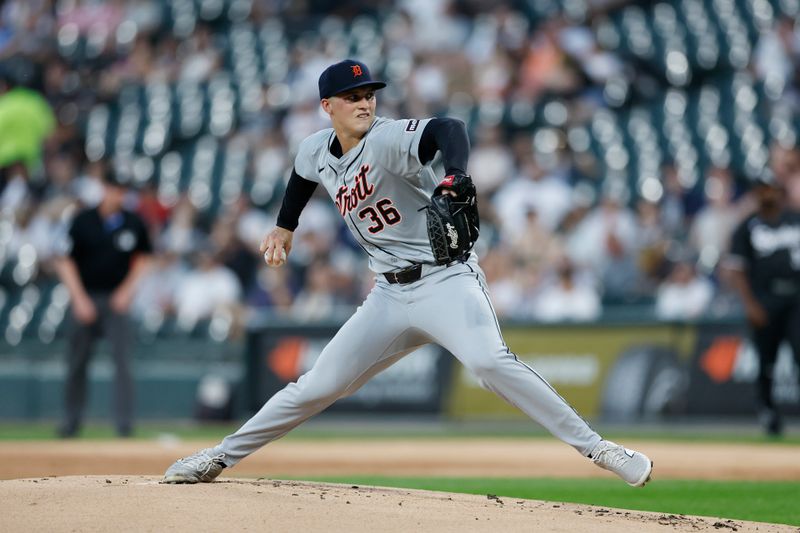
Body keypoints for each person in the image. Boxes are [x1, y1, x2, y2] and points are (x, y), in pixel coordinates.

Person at [163, 59, 652, 486]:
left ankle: (600, 449)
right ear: (327, 106)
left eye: (369, 95)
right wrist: (284, 226)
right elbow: (301, 175)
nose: (365, 104)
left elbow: (449, 128)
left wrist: (455, 172)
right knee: (316, 386)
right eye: (352, 97)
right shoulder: (315, 148)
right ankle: (219, 456)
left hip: (445, 280)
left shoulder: (388, 139)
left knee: (487, 364)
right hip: (388, 296)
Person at [55, 169, 153, 438]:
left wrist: (127, 292)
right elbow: (65, 260)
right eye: (114, 188)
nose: (118, 194)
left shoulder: (133, 222)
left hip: (117, 300)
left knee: (123, 363)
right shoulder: (82, 220)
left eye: (123, 190)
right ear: (104, 188)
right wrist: (79, 298)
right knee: (76, 362)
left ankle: (124, 425)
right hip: (85, 297)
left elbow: (144, 259)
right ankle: (71, 422)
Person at [727, 173, 800, 436]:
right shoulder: (747, 227)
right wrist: (749, 304)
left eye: (770, 189)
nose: (766, 194)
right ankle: (767, 410)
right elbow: (737, 269)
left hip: (795, 299)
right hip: (765, 300)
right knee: (766, 360)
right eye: (761, 190)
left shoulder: (795, 219)